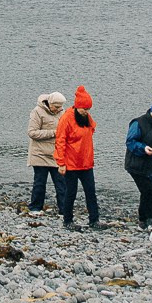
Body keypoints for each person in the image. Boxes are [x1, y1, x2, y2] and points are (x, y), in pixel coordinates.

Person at [54, 86, 101, 231]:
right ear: (77, 106)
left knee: (91, 192)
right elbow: (60, 141)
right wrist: (61, 163)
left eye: (88, 109)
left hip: (86, 163)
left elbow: (92, 128)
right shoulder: (66, 118)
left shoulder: (87, 117)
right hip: (71, 164)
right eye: (84, 109)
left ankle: (94, 220)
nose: (86, 112)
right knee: (71, 193)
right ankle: (67, 220)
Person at [125, 96, 152, 234]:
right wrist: (143, 148)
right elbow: (130, 142)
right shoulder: (138, 123)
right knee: (148, 191)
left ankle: (151, 218)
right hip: (137, 164)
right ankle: (144, 220)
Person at [25, 92, 67, 214]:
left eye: (60, 107)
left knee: (61, 183)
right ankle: (35, 208)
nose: (59, 109)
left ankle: (64, 210)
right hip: (39, 154)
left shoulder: (62, 113)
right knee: (39, 183)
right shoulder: (37, 112)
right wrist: (54, 133)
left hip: (56, 155)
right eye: (56, 107)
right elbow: (32, 133)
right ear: (50, 103)